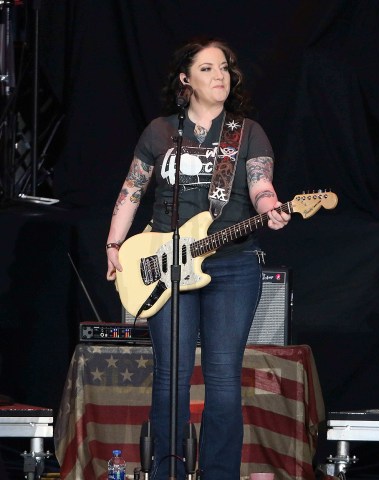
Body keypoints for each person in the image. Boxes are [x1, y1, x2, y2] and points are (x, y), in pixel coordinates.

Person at [106, 37, 291, 480]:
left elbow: (261, 185)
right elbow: (133, 190)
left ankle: (219, 474)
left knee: (224, 376)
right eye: (208, 68)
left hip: (232, 264)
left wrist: (271, 208)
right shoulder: (160, 132)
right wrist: (114, 245)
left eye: (225, 67)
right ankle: (167, 471)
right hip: (167, 259)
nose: (220, 75)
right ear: (186, 79)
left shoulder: (247, 132)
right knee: (171, 374)